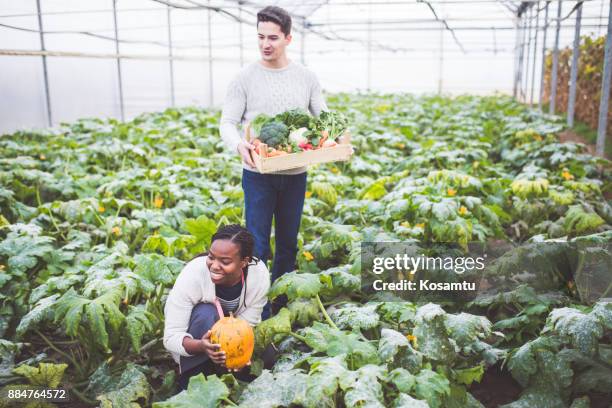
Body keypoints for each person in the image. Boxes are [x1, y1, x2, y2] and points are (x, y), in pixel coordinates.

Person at [219, 6, 327, 319]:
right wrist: (238, 143)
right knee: (257, 246)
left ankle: (280, 302)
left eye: (273, 38)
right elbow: (227, 121)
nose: (266, 43)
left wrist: (334, 135)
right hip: (258, 174)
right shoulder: (244, 78)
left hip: (295, 173)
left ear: (288, 38)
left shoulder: (305, 77)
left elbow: (323, 114)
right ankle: (258, 309)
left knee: (288, 245)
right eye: (261, 37)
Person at [163, 224, 270, 391]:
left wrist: (237, 352)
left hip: (226, 346)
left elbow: (248, 325)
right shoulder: (193, 275)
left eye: (225, 261)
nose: (214, 266)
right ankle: (190, 384)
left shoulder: (259, 276)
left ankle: (223, 375)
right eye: (211, 257)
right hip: (194, 340)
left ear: (244, 261)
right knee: (206, 313)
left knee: (269, 355)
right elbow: (170, 338)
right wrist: (201, 345)